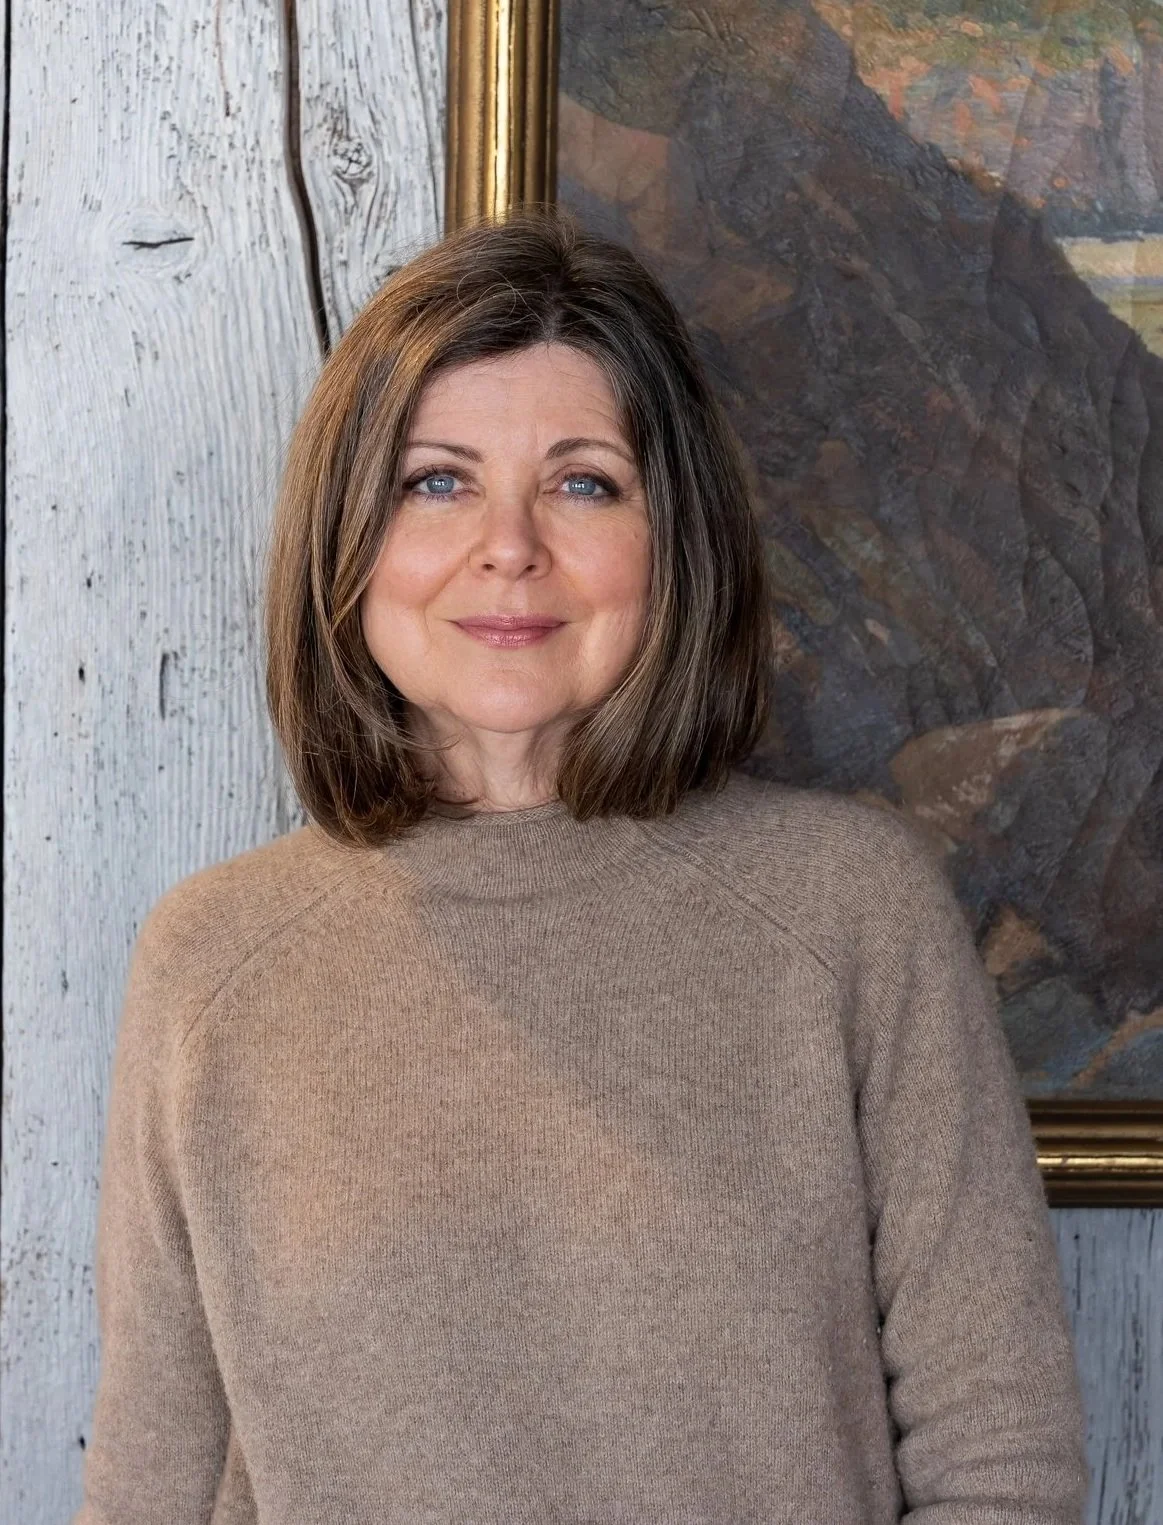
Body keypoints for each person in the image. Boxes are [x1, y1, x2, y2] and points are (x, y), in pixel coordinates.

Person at [75, 207, 1089, 1523]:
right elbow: (150, 1482)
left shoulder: (849, 910)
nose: (510, 545)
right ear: (348, 539)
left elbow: (997, 1467)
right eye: (435, 480)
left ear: (672, 541)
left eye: (581, 481)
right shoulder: (213, 956)